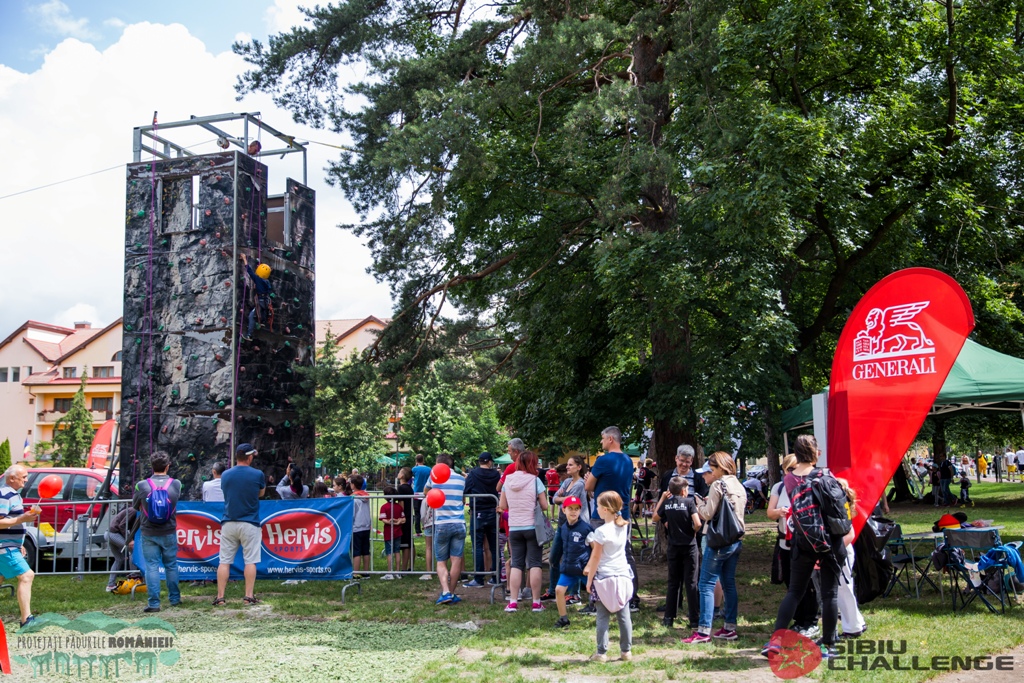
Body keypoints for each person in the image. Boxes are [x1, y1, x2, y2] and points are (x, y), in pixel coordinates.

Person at [764, 435, 853, 659]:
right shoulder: (826, 474)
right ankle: (829, 646)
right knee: (829, 594)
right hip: (830, 540)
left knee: (794, 592)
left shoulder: (789, 479)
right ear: (815, 453)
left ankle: (775, 641)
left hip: (803, 540)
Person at [682, 452, 746, 644]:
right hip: (735, 539)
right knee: (729, 583)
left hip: (718, 541)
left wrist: (699, 505)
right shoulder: (738, 484)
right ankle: (730, 628)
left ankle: (702, 632)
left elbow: (708, 514)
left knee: (706, 584)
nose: (705, 475)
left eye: (709, 470)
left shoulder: (718, 485)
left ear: (718, 468)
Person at [585, 426, 639, 611]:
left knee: (598, 554)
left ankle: (596, 599)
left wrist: (589, 479)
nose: (601, 442)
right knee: (625, 553)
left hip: (602, 514)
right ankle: (631, 597)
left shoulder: (603, 461)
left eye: (602, 439)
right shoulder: (627, 460)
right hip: (622, 514)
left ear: (610, 439)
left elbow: (588, 486)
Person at [766, 454, 819, 639]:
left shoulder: (808, 485)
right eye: (789, 469)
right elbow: (769, 513)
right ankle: (799, 619)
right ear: (783, 470)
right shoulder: (779, 487)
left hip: (805, 543)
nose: (793, 473)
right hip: (785, 542)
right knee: (791, 584)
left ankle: (811, 621)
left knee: (808, 582)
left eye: (796, 468)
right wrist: (779, 512)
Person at [583, 491, 633, 662]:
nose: (596, 508)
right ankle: (626, 651)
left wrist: (589, 580)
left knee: (602, 616)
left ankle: (601, 652)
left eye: (598, 505)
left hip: (605, 577)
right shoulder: (624, 525)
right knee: (624, 614)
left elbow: (596, 557)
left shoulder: (601, 532)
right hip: (623, 575)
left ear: (604, 509)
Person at [214, 443, 266, 606]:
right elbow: (261, 493)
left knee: (224, 561)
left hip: (229, 521)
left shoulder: (226, 475)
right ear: (250, 457)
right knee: (250, 560)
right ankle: (248, 596)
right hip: (250, 522)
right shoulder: (258, 474)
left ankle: (220, 597)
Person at [498, 450, 549, 612]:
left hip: (514, 527)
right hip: (532, 527)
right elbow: (545, 505)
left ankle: (513, 601)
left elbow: (503, 506)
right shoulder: (535, 481)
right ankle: (536, 602)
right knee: (534, 564)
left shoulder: (507, 481)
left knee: (516, 564)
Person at [132, 452, 182, 613]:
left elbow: (135, 506)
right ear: (168, 466)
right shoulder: (176, 484)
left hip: (149, 531)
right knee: (171, 565)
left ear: (151, 467)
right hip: (168, 530)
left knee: (152, 567)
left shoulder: (141, 485)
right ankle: (175, 599)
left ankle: (154, 603)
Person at [653, 477, 701, 629]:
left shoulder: (667, 504)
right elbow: (698, 523)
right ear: (683, 490)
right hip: (689, 546)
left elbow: (655, 517)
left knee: (673, 582)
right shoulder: (689, 502)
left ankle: (668, 617)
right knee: (691, 582)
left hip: (673, 547)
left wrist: (661, 499)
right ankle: (694, 619)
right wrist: (693, 532)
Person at [0, 466, 41, 627]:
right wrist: (21, 519)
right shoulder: (4, 495)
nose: (26, 479)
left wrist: (20, 543)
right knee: (26, 576)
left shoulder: (14, 495)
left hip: (10, 545)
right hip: (4, 546)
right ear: (11, 478)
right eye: (23, 476)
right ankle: (27, 620)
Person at [544, 455, 589, 601]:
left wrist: (562, 499)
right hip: (563, 525)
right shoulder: (567, 481)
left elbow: (568, 504)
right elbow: (555, 498)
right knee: (553, 558)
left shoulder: (580, 484)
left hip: (576, 526)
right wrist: (563, 498)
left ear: (579, 467)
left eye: (570, 465)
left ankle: (574, 594)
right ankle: (553, 590)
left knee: (573, 559)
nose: (567, 467)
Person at [432, 453, 467, 604]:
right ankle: (452, 593)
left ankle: (445, 592)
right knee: (456, 559)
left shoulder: (434, 478)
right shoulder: (461, 479)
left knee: (441, 561)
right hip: (459, 522)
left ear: (438, 464)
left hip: (442, 523)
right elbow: (463, 498)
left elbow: (427, 493)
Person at [834, 478, 867, 639]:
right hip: (843, 549)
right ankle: (857, 622)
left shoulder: (841, 506)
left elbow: (849, 533)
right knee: (844, 587)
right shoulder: (842, 505)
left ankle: (853, 626)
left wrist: (834, 550)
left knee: (844, 587)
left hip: (842, 549)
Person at [553, 495, 591, 629]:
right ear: (564, 510)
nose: (573, 511)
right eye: (570, 508)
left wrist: (590, 566)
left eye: (576, 509)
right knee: (559, 590)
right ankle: (563, 619)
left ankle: (607, 616)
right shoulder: (563, 528)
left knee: (598, 593)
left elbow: (595, 549)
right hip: (569, 569)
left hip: (584, 569)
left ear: (580, 511)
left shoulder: (586, 528)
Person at [464, 452, 501, 587]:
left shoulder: (473, 474)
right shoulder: (496, 474)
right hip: (492, 510)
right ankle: (496, 576)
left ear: (479, 461)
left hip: (478, 511)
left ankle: (479, 578)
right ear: (490, 462)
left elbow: (466, 489)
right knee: (494, 546)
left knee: (478, 546)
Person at [239, 253, 272, 340]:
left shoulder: (258, 279)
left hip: (261, 301)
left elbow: (249, 270)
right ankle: (262, 321)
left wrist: (244, 258)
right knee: (260, 313)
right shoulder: (267, 282)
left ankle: (249, 335)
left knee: (251, 316)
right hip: (266, 301)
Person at [104, 504, 137, 592]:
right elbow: (122, 526)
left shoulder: (134, 511)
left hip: (109, 534)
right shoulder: (133, 510)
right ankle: (134, 577)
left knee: (119, 559)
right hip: (113, 534)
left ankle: (110, 585)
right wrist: (129, 540)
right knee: (133, 550)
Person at [379, 485, 405, 580]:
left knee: (389, 552)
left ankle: (390, 572)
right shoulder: (399, 507)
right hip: (398, 532)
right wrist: (398, 521)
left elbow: (383, 519)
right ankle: (397, 572)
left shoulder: (384, 507)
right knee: (397, 551)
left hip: (388, 533)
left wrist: (390, 521)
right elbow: (403, 519)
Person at [350, 474, 371, 577]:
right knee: (366, 550)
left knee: (356, 551)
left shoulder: (353, 498)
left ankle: (356, 572)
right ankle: (366, 572)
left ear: (353, 485)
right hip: (366, 526)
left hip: (357, 527)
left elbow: (352, 513)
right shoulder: (366, 496)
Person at [396, 467, 416, 571]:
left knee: (405, 544)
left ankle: (403, 568)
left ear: (402, 476)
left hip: (404, 518)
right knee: (410, 542)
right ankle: (411, 566)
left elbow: (401, 503)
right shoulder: (409, 488)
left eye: (400, 472)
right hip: (409, 516)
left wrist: (400, 516)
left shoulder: (401, 488)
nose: (398, 473)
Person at [411, 454, 432, 534]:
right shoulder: (429, 469)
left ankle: (418, 530)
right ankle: (426, 526)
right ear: (423, 460)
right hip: (426, 492)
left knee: (417, 512)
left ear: (416, 461)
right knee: (427, 511)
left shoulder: (414, 469)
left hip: (416, 492)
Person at [419, 482, 435, 580]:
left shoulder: (425, 500)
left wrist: (423, 524)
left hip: (428, 524)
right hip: (439, 523)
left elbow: (422, 515)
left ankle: (429, 572)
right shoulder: (442, 498)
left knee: (428, 547)